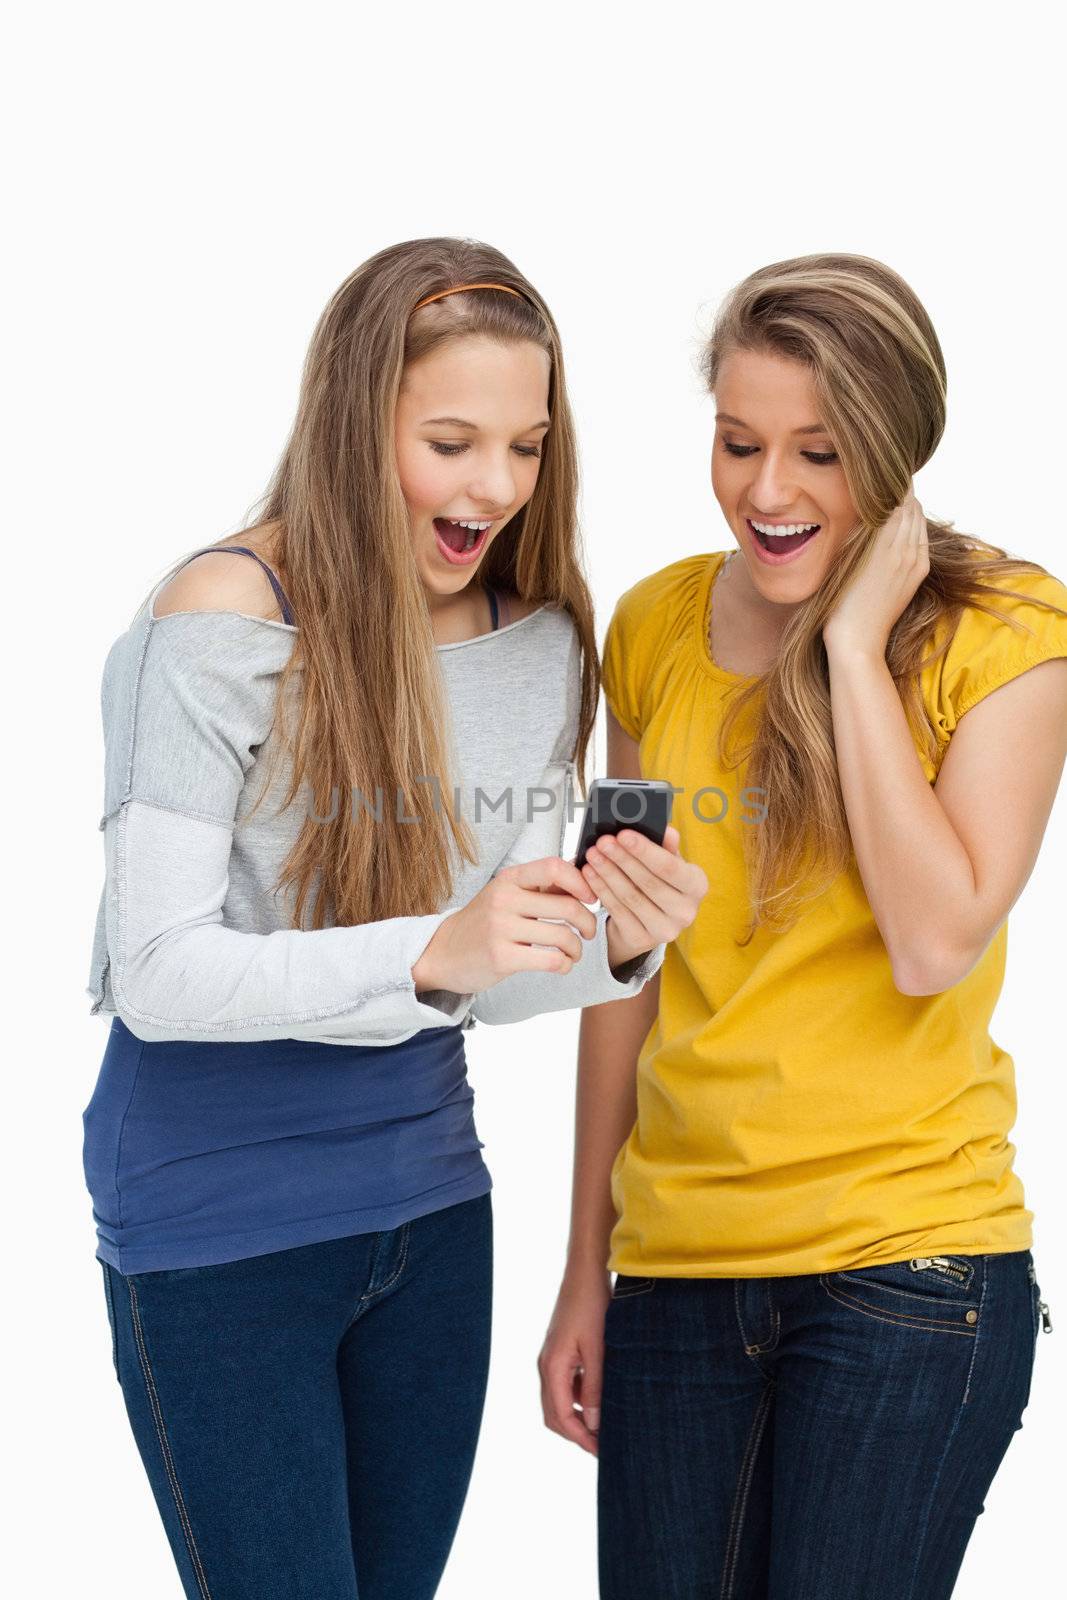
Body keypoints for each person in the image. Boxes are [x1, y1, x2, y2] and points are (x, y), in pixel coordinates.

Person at [82, 238, 704, 1600]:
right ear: (355, 418)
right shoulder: (218, 619)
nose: (495, 486)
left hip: (428, 1213)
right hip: (215, 1219)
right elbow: (157, 971)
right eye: (451, 440)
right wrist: (438, 943)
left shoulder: (538, 636)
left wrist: (613, 941)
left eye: (528, 447)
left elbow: (476, 976)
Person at [539, 253, 1067, 1600]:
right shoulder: (656, 625)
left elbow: (934, 939)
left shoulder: (1004, 634)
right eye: (738, 443)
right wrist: (584, 1271)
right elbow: (627, 968)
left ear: (891, 456)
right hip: (675, 1272)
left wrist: (848, 648)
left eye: (820, 454)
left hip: (906, 1272)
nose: (768, 494)